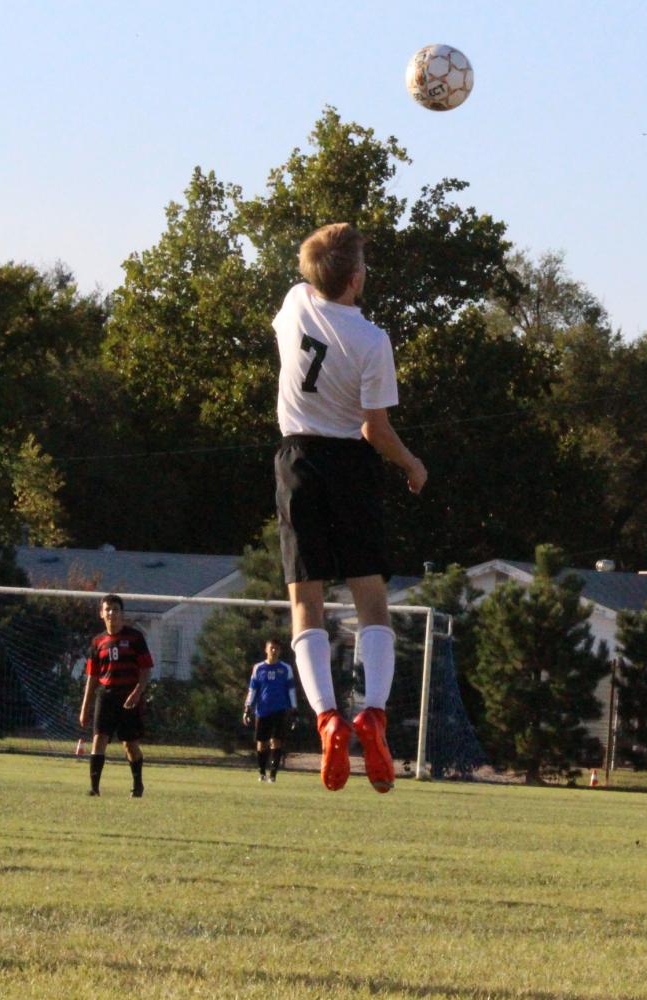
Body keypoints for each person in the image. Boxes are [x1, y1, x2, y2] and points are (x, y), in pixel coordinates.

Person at [273, 222, 427, 793]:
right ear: (358, 279)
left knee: (305, 603)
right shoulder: (371, 341)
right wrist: (412, 464)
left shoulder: (294, 305)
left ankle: (327, 719)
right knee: (371, 600)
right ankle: (374, 714)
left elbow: (317, 269)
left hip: (297, 462)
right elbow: (375, 429)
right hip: (352, 465)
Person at [77, 594, 153, 797]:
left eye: (115, 609)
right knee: (98, 739)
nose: (111, 613)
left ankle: (138, 786)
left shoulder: (135, 638)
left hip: (129, 696)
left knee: (130, 744)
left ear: (122, 613)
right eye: (108, 609)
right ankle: (94, 788)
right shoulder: (97, 642)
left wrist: (137, 692)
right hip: (106, 696)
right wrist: (85, 708)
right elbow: (92, 677)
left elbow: (146, 669)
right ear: (101, 613)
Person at [243, 638, 299, 782]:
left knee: (276, 741)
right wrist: (248, 707)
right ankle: (261, 772)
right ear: (266, 650)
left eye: (277, 649)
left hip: (280, 710)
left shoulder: (286, 669)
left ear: (280, 651)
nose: (274, 651)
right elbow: (253, 690)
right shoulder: (258, 668)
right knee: (262, 743)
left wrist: (294, 709)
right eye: (271, 648)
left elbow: (291, 690)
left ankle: (273, 774)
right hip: (262, 711)